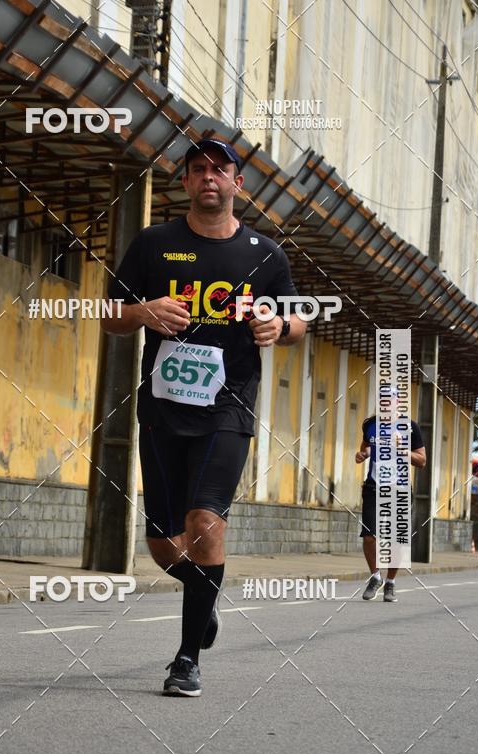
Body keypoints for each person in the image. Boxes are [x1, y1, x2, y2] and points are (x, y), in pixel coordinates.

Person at [103, 138, 307, 696]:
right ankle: (204, 597)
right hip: (163, 408)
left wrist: (276, 327)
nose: (209, 178)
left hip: (228, 406)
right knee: (164, 543)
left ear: (238, 184)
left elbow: (296, 322)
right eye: (198, 170)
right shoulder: (154, 243)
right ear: (187, 183)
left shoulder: (265, 253)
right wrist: (142, 311)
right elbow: (108, 314)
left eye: (220, 170)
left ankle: (187, 658)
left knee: (205, 523)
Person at [355, 393, 426, 601]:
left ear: (398, 403)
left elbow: (422, 460)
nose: (385, 403)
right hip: (373, 487)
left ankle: (390, 582)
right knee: (369, 536)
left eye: (390, 399)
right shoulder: (369, 424)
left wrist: (402, 449)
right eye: (382, 399)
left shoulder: (410, 427)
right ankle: (375, 576)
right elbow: (366, 446)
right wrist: (363, 454)